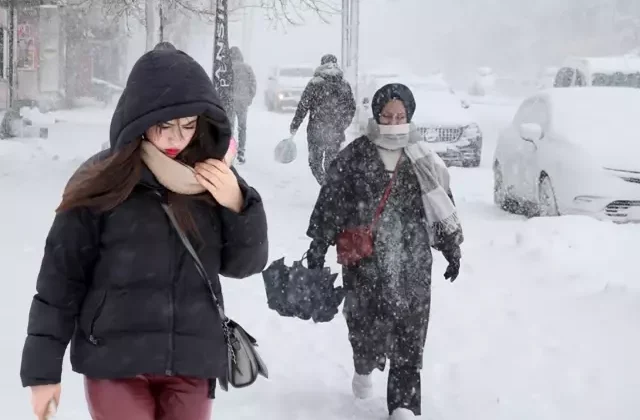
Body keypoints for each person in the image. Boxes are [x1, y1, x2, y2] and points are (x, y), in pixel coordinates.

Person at [20, 42, 269, 420]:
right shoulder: (100, 182)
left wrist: (238, 203)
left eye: (188, 126)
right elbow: (60, 282)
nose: (176, 139)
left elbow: (244, 264)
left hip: (193, 359)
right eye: (163, 126)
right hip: (114, 361)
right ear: (137, 121)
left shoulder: (212, 180)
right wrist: (42, 373)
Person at [304, 83, 464, 420]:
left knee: (411, 330)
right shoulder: (355, 154)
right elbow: (330, 203)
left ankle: (403, 405)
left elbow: (440, 206)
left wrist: (451, 249)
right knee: (365, 326)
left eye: (400, 116)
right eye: (387, 116)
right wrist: (318, 246)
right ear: (376, 115)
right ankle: (363, 366)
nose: (393, 123)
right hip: (366, 261)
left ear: (410, 116)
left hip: (412, 260)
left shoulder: (422, 157)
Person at [289, 53, 356, 185]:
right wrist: (343, 124)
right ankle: (331, 189)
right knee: (331, 164)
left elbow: (303, 106)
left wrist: (294, 125)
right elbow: (351, 108)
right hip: (336, 132)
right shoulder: (344, 84)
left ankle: (326, 187)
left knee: (315, 164)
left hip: (316, 131)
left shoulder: (314, 84)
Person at [229, 46, 257, 164]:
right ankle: (241, 151)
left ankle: (229, 151)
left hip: (230, 101)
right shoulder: (247, 68)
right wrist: (250, 97)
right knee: (242, 128)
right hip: (243, 102)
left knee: (230, 127)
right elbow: (253, 84)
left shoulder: (228, 69)